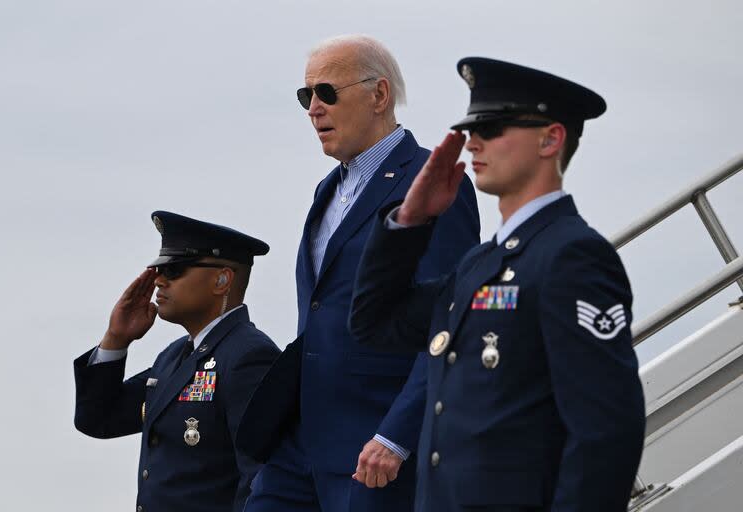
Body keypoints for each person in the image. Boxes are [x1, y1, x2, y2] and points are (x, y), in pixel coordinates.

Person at [349, 57, 646, 512]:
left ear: (551, 138)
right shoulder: (479, 264)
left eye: (494, 127)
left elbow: (605, 433)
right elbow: (373, 322)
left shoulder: (572, 257)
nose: (474, 142)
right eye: (472, 129)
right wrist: (410, 222)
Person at [236, 36, 480, 511]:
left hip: (373, 449)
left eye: (326, 92)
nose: (313, 109)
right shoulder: (326, 191)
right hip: (300, 443)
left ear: (379, 95)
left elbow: (450, 321)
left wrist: (397, 434)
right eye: (305, 96)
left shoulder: (429, 182)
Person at [73, 211, 280, 512]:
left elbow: (260, 477)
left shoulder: (248, 356)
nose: (159, 281)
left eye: (175, 270)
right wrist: (116, 339)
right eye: (160, 271)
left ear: (222, 279)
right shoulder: (173, 357)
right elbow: (98, 419)